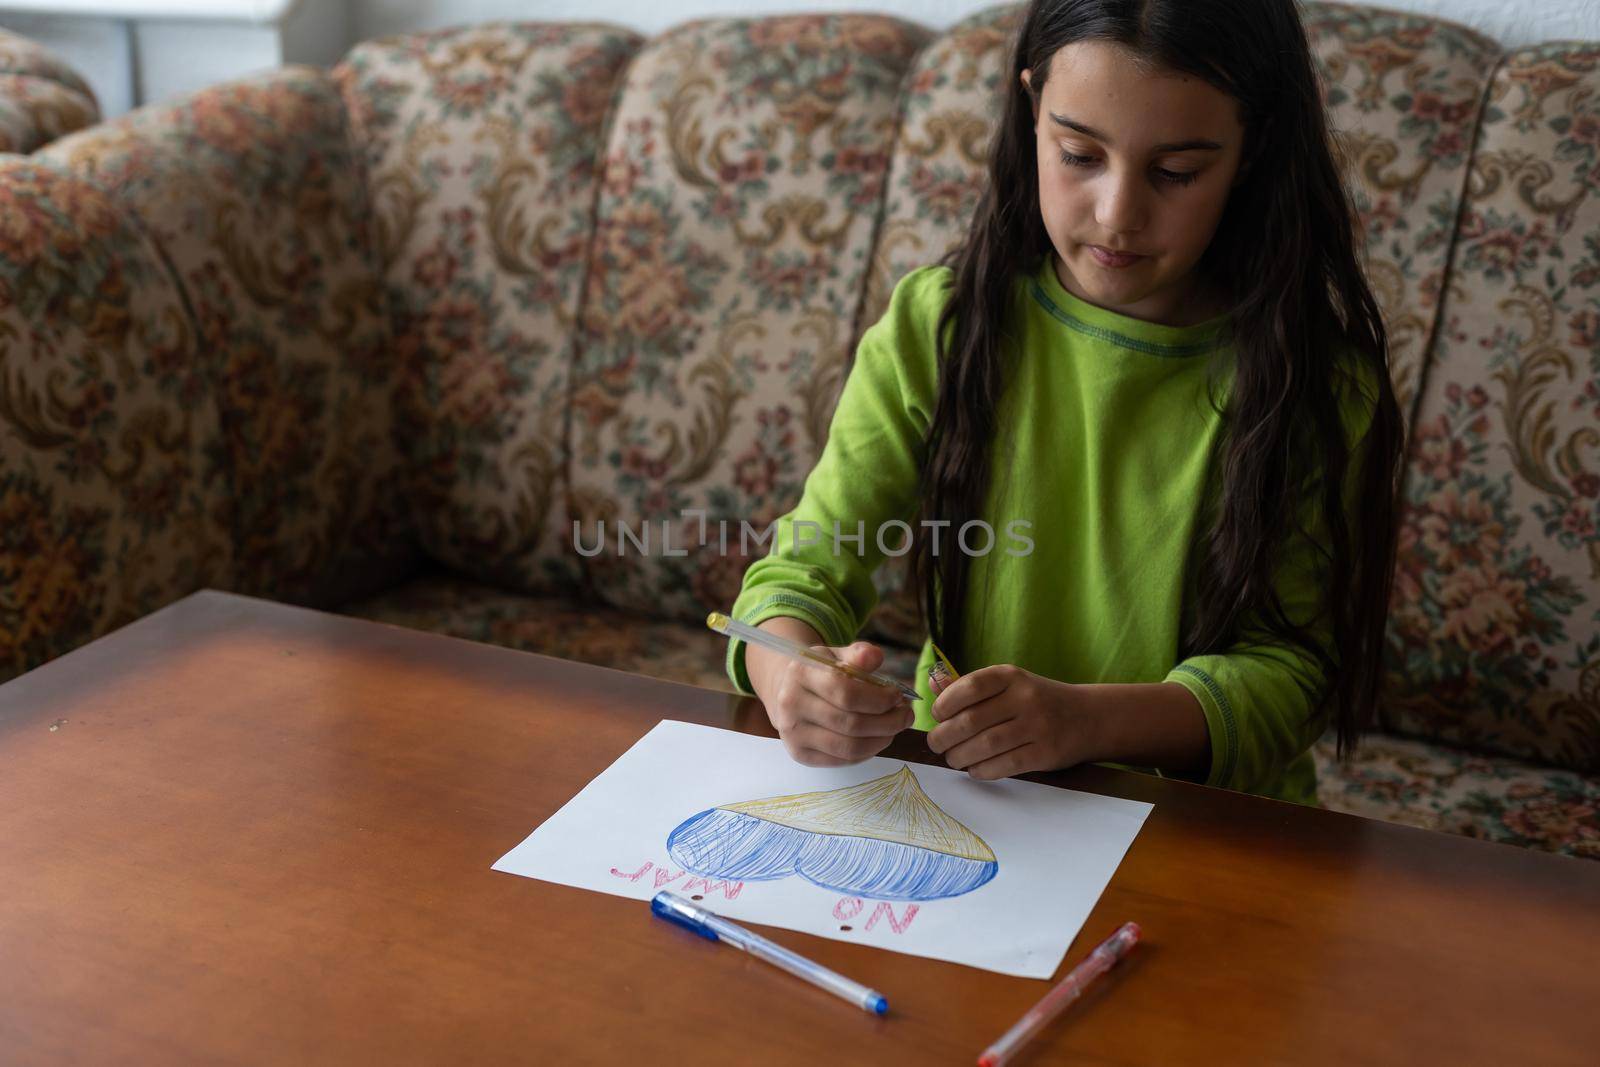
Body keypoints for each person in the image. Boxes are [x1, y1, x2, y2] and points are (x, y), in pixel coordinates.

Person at [724, 0, 1403, 804]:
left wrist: (1086, 722)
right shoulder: (938, 327)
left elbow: (1290, 677)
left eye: (1177, 172)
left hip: (1210, 831)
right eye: (1079, 154)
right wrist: (789, 672)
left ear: (1252, 153)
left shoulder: (1316, 385)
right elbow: (802, 571)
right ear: (1030, 111)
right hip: (976, 805)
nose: (1118, 213)